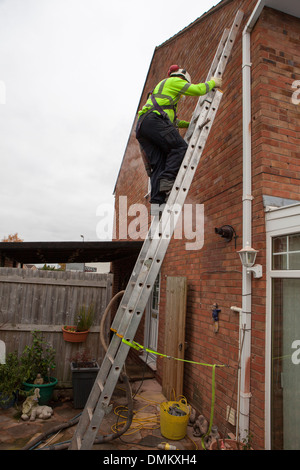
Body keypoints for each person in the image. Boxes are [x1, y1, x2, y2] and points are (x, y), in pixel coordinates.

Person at [136, 65, 222, 206]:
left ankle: (157, 202)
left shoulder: (164, 96)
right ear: (183, 77)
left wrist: (190, 125)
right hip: (153, 120)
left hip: (143, 127)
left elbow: (174, 122)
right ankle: (167, 179)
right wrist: (213, 82)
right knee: (180, 148)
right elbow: (198, 90)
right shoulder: (175, 81)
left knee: (158, 164)